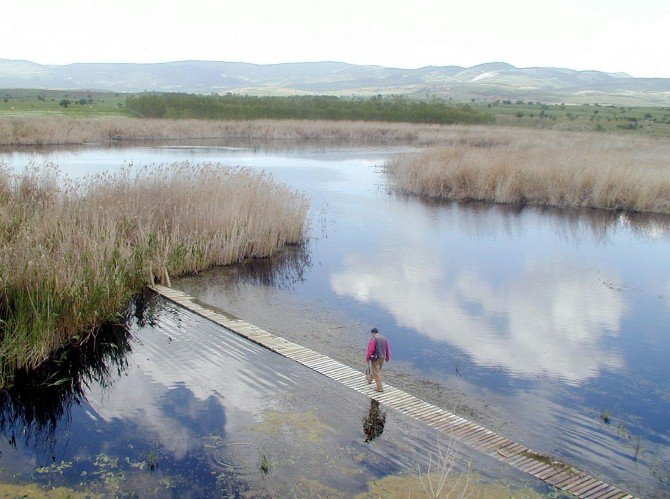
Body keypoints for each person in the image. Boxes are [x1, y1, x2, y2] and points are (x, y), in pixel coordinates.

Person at [365, 327, 390, 392]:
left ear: (372, 333)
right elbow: (387, 349)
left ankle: (379, 388)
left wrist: (367, 358)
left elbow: (370, 350)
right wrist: (387, 357)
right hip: (382, 358)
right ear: (377, 332)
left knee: (376, 373)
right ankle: (369, 380)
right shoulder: (385, 339)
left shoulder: (373, 339)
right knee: (376, 370)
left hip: (375, 358)